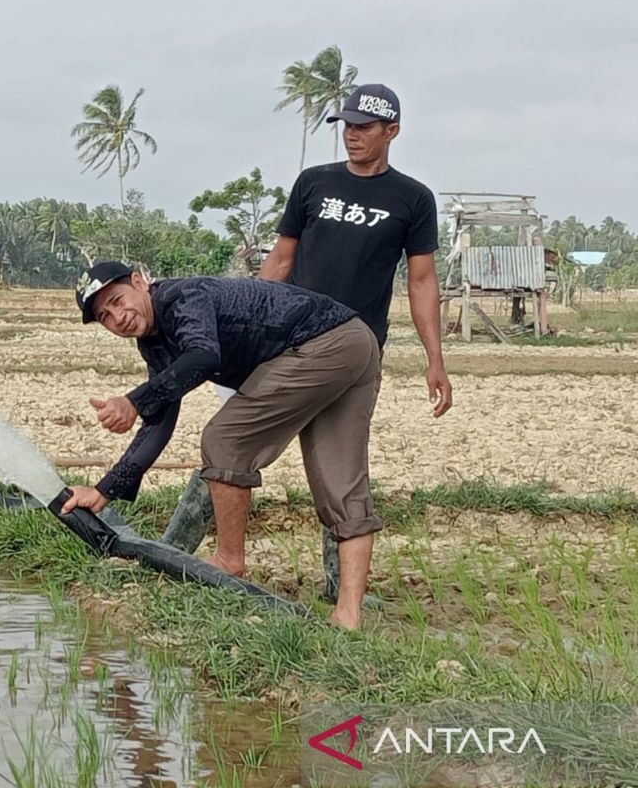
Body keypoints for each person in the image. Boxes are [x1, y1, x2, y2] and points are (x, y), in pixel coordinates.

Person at [61, 261, 383, 629]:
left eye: (118, 300)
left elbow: (202, 356)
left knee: (224, 439)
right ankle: (348, 616)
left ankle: (230, 560)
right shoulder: (154, 343)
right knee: (340, 481)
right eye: (105, 316)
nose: (118, 316)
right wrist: (104, 492)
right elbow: (159, 421)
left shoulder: (182, 297)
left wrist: (134, 400)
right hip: (357, 341)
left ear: (139, 282)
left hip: (320, 342)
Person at [259, 83, 453, 417]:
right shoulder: (313, 183)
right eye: (348, 126)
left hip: (358, 346)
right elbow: (281, 258)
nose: (352, 135)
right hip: (295, 338)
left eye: (363, 127)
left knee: (339, 461)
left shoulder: (414, 198)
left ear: (391, 131)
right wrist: (253, 325)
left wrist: (435, 360)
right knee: (243, 438)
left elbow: (421, 282)